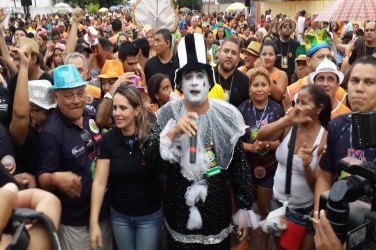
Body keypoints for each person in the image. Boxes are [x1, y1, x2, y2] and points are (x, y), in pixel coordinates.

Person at [156, 33, 256, 249]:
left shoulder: (227, 116)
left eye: (199, 75)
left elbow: (239, 168)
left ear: (209, 80)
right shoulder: (166, 116)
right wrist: (171, 134)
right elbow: (153, 164)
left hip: (217, 214)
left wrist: (244, 209)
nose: (194, 82)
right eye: (188, 76)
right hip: (179, 215)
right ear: (180, 83)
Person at [37, 65, 112, 250]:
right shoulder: (51, 133)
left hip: (105, 214)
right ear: (56, 97)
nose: (76, 101)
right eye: (68, 96)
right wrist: (55, 178)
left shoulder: (90, 116)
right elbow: (42, 178)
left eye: (80, 93)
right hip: (76, 225)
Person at [257, 84, 331, 250]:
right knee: (278, 245)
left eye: (304, 103)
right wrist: (286, 120)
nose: (298, 107)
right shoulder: (290, 125)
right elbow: (261, 136)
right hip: (277, 203)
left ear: (319, 109)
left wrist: (306, 166)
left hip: (302, 211)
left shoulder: (324, 138)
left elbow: (317, 185)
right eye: (296, 102)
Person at [90, 84, 163, 250]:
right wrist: (93, 222)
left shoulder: (151, 138)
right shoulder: (109, 140)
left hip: (149, 217)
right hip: (120, 217)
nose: (117, 113)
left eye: (123, 108)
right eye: (115, 108)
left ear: (136, 110)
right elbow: (100, 182)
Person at [314, 56, 376, 213]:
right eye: (355, 81)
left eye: (369, 82)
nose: (359, 88)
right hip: (338, 215)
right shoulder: (337, 124)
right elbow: (324, 175)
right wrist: (320, 214)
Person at [237, 67, 284, 250]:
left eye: (263, 84)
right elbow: (235, 142)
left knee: (265, 210)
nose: (259, 88)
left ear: (269, 88)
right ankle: (244, 241)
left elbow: (284, 142)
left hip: (270, 169)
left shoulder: (277, 110)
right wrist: (250, 147)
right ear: (250, 88)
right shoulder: (241, 110)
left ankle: (264, 244)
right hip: (247, 168)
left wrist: (267, 145)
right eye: (255, 85)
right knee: (246, 207)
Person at [214, 37, 250, 106]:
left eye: (234, 53)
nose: (229, 56)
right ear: (219, 53)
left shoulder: (244, 81)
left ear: (238, 58)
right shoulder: (207, 75)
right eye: (226, 51)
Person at [274, 19, 301, 85]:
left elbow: (299, 62)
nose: (288, 28)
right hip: (276, 79)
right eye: (285, 26)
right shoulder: (274, 44)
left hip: (292, 80)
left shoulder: (296, 44)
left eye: (290, 27)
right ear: (280, 29)